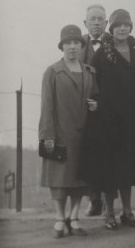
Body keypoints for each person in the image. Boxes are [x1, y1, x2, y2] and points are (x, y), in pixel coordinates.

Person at [82, 9, 135, 230]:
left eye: (126, 25)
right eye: (117, 26)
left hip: (133, 120)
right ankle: (110, 214)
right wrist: (98, 104)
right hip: (109, 120)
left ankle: (128, 212)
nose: (122, 29)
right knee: (111, 170)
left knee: (128, 168)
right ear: (111, 29)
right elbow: (92, 83)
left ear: (130, 27)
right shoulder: (102, 53)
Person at [39, 25, 98, 238]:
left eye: (76, 43)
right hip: (60, 134)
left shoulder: (90, 72)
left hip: (84, 136)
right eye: (68, 43)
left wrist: (95, 105)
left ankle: (74, 217)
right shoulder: (53, 71)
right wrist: (47, 136)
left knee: (80, 179)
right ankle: (59, 219)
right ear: (62, 46)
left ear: (82, 47)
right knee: (59, 179)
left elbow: (97, 98)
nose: (73, 47)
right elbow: (46, 106)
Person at [81, 4, 108, 217]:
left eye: (100, 19)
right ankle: (94, 200)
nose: (97, 22)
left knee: (112, 151)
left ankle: (110, 201)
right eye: (93, 19)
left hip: (110, 107)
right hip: (87, 107)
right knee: (89, 152)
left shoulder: (115, 41)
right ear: (85, 23)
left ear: (106, 23)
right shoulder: (77, 44)